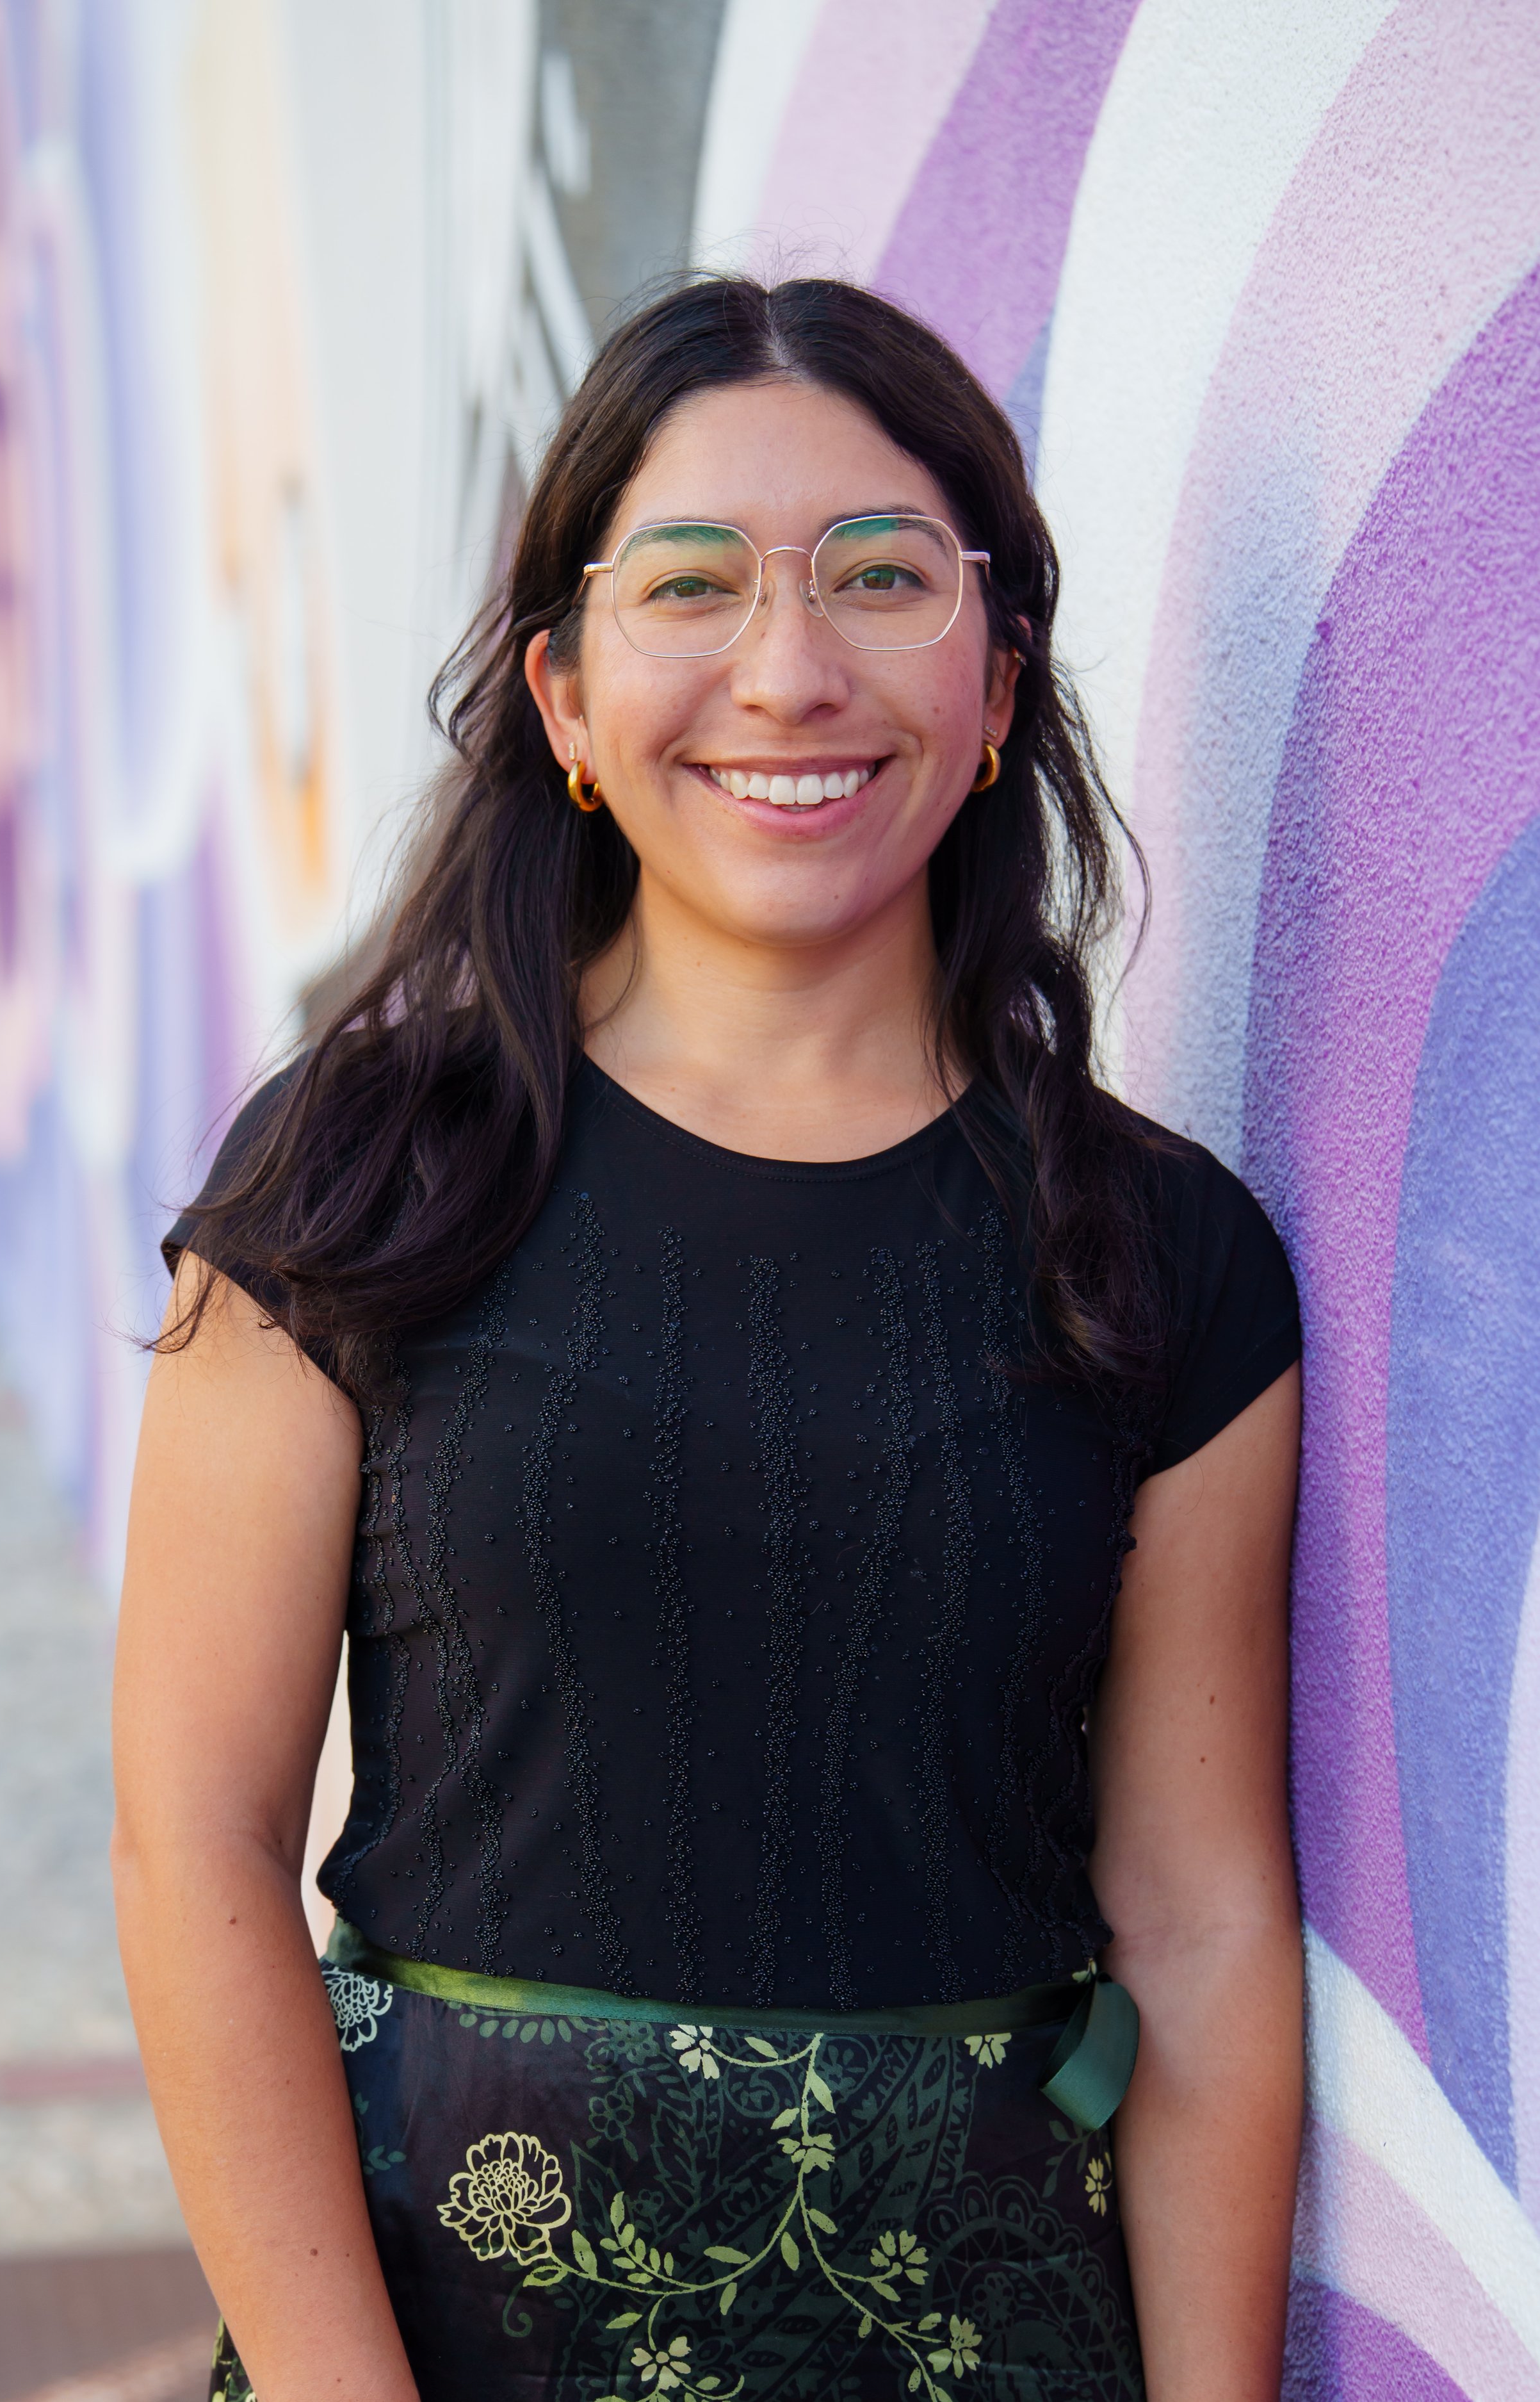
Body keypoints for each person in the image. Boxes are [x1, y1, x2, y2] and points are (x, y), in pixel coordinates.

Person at [112, 276, 1303, 2402]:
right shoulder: (358, 1180)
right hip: (441, 2330)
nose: (789, 669)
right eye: (691, 586)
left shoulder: (1163, 1257)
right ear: (563, 697)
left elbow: (1202, 1926)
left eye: (878, 578)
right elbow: (195, 1846)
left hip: (981, 2338)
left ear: (998, 678)